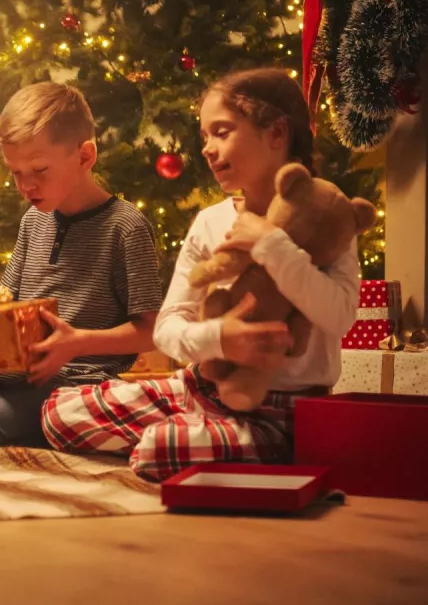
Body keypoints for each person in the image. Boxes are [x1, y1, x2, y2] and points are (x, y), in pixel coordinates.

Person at [42, 68, 359, 481]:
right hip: (197, 389)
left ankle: (193, 442)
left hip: (282, 414)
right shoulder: (211, 222)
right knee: (58, 413)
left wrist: (269, 244)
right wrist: (219, 338)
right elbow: (168, 328)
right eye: (205, 135)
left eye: (222, 132)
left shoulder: (330, 217)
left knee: (159, 450)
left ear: (276, 134)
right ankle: (193, 435)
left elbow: (340, 316)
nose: (208, 148)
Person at [0, 81, 163, 447]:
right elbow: (9, 307)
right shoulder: (33, 221)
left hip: (75, 383)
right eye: (15, 172)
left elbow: (153, 331)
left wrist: (77, 343)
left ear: (85, 157)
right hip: (13, 377)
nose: (25, 186)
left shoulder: (125, 227)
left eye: (39, 170)